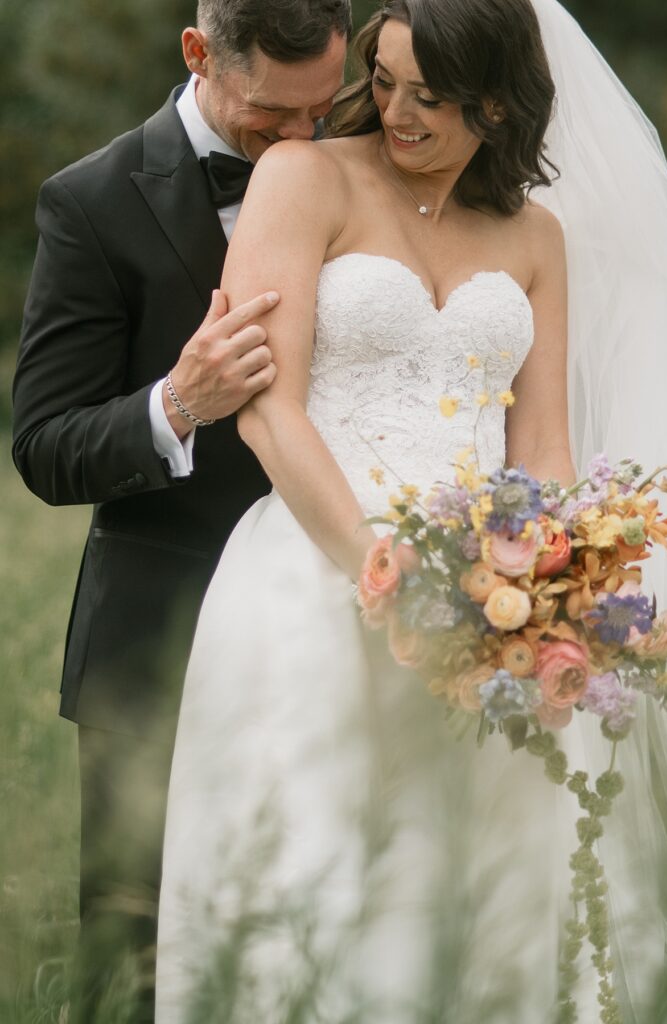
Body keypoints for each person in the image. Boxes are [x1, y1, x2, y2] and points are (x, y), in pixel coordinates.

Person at [156, 0, 667, 1019]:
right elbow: (267, 411)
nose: (394, 114)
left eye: (428, 98)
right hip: (312, 578)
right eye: (383, 80)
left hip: (491, 603)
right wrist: (381, 572)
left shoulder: (535, 235)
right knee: (311, 874)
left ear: (497, 102)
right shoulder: (302, 179)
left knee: (486, 885)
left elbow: (540, 451)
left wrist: (551, 591)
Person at [12, 2, 350, 1020]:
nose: (298, 142)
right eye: (268, 119)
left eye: (320, 112)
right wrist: (175, 403)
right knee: (138, 949)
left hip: (328, 619)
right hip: (160, 632)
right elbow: (43, 445)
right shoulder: (90, 201)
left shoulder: (369, 172)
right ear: (198, 55)